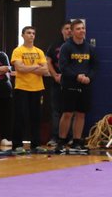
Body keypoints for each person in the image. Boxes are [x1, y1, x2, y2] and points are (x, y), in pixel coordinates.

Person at [55, 19, 97, 154]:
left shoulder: (89, 47)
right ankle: (61, 141)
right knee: (67, 113)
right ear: (72, 32)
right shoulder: (66, 47)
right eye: (78, 29)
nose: (81, 31)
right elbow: (63, 66)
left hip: (85, 85)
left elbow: (94, 66)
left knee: (81, 114)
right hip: (70, 84)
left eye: (83, 28)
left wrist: (88, 77)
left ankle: (77, 142)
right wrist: (76, 76)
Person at [9, 26, 47, 156]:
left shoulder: (39, 52)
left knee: (36, 117)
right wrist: (36, 66)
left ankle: (36, 144)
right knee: (20, 117)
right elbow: (19, 68)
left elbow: (45, 70)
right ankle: (17, 145)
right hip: (22, 88)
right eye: (28, 33)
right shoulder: (18, 51)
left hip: (37, 88)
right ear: (23, 35)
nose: (31, 35)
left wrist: (28, 68)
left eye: (33, 33)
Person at [43, 20, 71, 149]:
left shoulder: (76, 46)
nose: (69, 31)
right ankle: (55, 137)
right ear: (62, 30)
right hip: (57, 82)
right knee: (56, 111)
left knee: (71, 111)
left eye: (71, 28)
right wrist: (54, 75)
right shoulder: (55, 45)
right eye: (66, 28)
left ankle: (69, 138)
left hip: (72, 82)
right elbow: (48, 61)